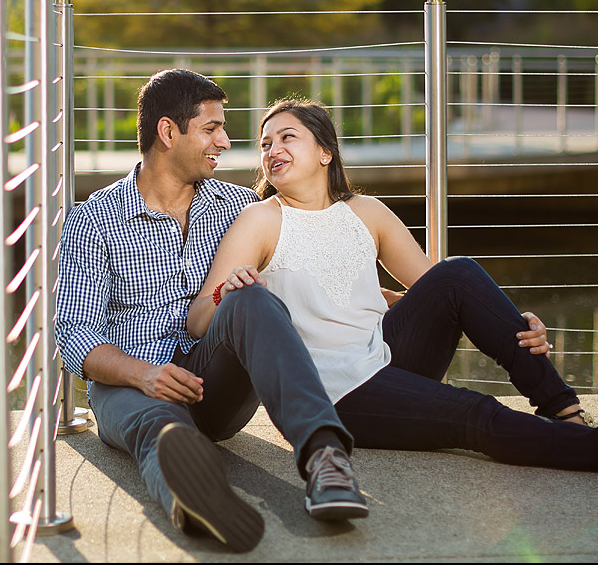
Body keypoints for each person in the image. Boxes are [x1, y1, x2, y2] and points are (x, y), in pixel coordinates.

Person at [187, 97, 598, 482]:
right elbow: (199, 322)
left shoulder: (366, 212)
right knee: (473, 414)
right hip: (336, 393)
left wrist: (515, 323)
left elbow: (436, 290)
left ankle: (563, 409)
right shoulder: (260, 220)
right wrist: (229, 293)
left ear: (325, 152)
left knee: (458, 271)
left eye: (287, 137)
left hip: (387, 356)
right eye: (264, 144)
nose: (271, 150)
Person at [56, 70, 374, 554]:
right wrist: (145, 375)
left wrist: (402, 302)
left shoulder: (243, 205)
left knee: (250, 296)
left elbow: (319, 271)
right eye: (211, 129)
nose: (225, 142)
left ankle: (326, 460)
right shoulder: (94, 219)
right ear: (168, 132)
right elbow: (75, 332)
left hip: (217, 380)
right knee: (158, 429)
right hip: (134, 383)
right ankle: (194, 497)